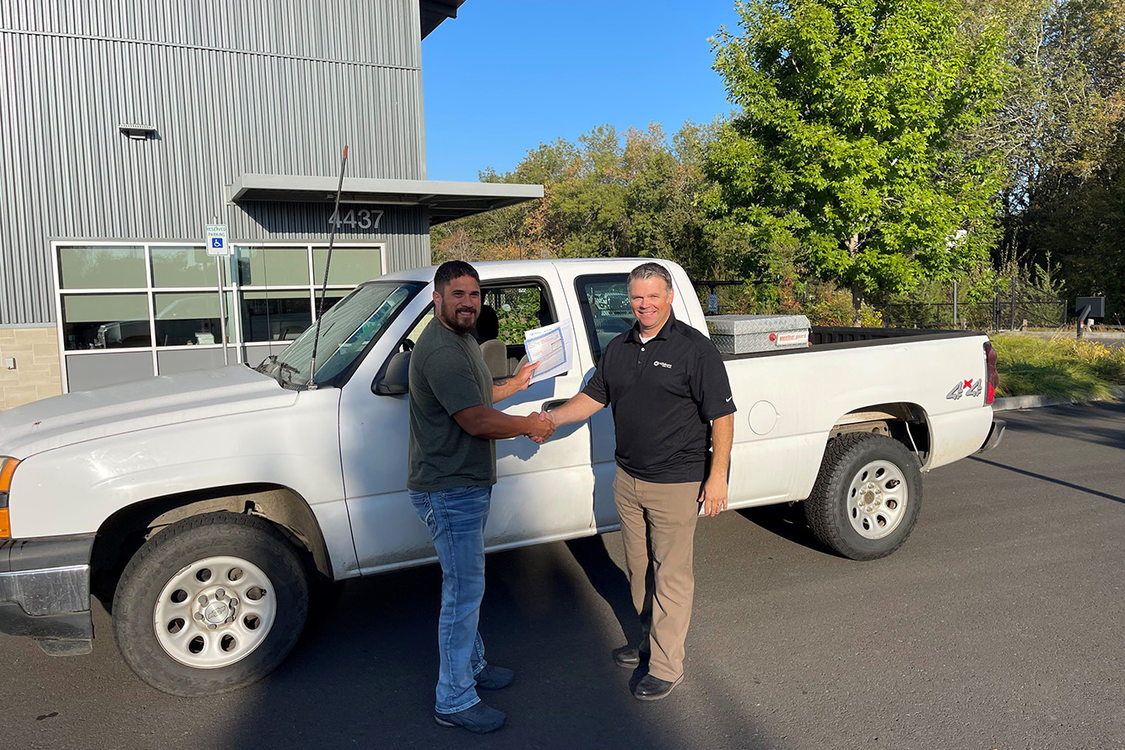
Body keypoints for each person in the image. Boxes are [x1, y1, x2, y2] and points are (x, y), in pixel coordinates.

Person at [544, 261, 735, 701]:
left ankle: (668, 665)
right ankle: (648, 639)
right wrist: (548, 419)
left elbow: (722, 416)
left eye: (653, 296)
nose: (644, 305)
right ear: (627, 300)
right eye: (637, 297)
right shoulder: (620, 347)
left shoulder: (695, 350)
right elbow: (593, 397)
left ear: (668, 297)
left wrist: (717, 476)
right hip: (628, 478)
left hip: (676, 481)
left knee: (671, 575)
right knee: (638, 569)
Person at [407, 260, 555, 733]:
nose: (468, 302)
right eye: (458, 295)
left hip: (462, 485)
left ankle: (472, 667)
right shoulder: (441, 351)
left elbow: (477, 395)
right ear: (438, 298)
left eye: (474, 294)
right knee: (463, 593)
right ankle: (452, 700)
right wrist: (530, 424)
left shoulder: (462, 341)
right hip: (450, 490)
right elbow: (475, 419)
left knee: (465, 588)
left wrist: (515, 384)